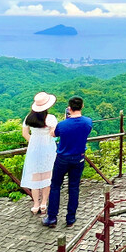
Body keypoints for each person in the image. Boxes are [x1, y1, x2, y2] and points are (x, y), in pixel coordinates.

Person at [42, 96, 92, 228]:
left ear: (69, 108)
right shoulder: (88, 122)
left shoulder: (63, 124)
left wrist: (64, 120)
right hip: (79, 157)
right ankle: (70, 218)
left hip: (62, 158)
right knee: (74, 187)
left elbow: (54, 134)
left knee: (55, 186)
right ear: (82, 106)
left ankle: (52, 217)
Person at [21, 92, 58, 215]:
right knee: (47, 176)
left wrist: (34, 142)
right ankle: (43, 203)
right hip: (48, 148)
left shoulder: (28, 118)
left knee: (35, 177)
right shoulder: (50, 118)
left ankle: (35, 204)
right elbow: (54, 134)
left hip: (33, 149)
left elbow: (25, 134)